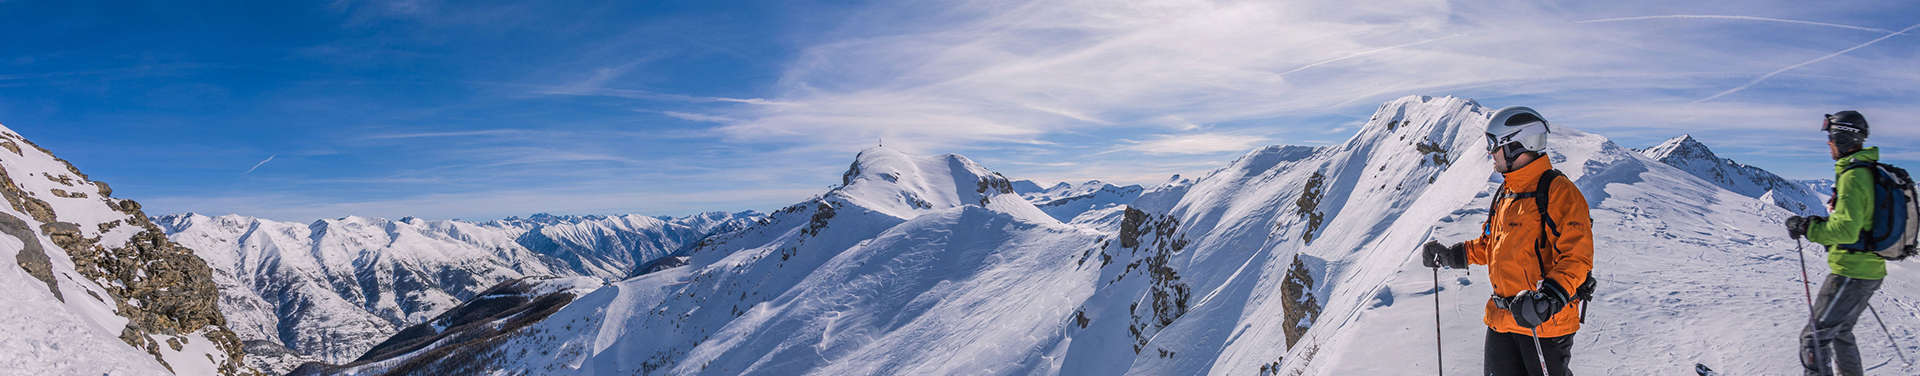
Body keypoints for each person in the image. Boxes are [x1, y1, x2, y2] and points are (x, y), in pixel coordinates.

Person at [1421, 106, 1594, 376]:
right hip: (1502, 321)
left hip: (1543, 323)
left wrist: (1547, 299)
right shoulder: (1506, 193)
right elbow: (1491, 246)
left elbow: (1577, 257)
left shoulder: (1559, 192)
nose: (1490, 152)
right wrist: (1448, 256)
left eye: (1494, 144)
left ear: (1515, 145)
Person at [1785, 110, 1885, 376]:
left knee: (1814, 338)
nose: (1828, 142)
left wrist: (1809, 228)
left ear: (1842, 138)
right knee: (1840, 333)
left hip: (1851, 272)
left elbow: (1846, 231)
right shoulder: (1867, 171)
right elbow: (1859, 224)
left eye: (1830, 136)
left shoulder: (1854, 176)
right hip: (1868, 270)